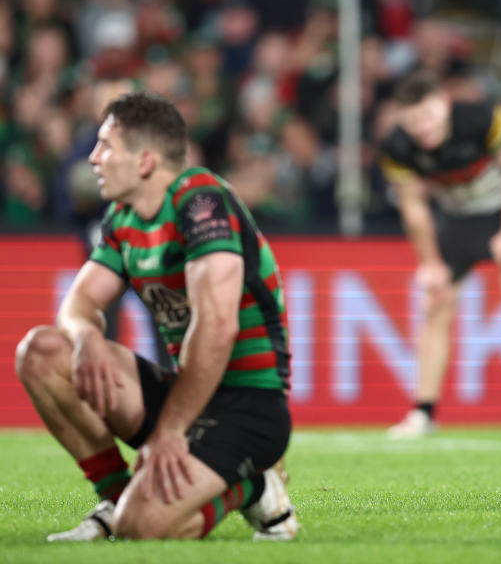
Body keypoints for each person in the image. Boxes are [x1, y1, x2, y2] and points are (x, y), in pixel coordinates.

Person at [15, 93, 299, 540]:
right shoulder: (123, 218)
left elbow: (217, 330)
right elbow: (78, 304)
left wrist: (170, 431)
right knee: (43, 352)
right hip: (185, 392)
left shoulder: (202, 204)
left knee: (145, 528)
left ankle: (254, 487)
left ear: (145, 161)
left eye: (106, 146)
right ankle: (117, 496)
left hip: (248, 405)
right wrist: (87, 337)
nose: (93, 158)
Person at [380, 72, 501, 439]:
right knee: (436, 304)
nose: (424, 128)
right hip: (458, 218)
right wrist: (429, 262)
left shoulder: (484, 119)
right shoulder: (397, 148)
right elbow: (414, 207)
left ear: (444, 104)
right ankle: (423, 412)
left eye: (429, 116)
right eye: (414, 122)